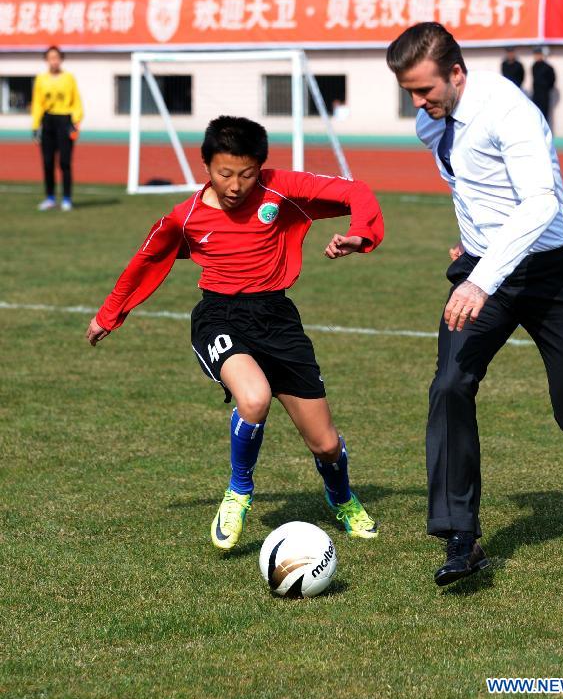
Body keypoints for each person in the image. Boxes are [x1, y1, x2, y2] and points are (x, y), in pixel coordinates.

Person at [386, 22, 563, 588]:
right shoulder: (430, 121)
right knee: (449, 384)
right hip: (483, 269)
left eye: (425, 91)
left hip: (547, 273)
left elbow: (539, 201)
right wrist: (474, 242)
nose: (417, 105)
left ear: (457, 73)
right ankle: (459, 537)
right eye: (409, 93)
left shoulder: (510, 112)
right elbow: (472, 184)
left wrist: (481, 278)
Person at [86, 116, 384, 550]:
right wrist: (109, 315)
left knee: (325, 446)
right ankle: (239, 490)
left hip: (278, 319)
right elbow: (147, 260)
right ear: (205, 165)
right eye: (224, 173)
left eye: (246, 174)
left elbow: (355, 191)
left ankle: (341, 498)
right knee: (254, 397)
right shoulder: (185, 216)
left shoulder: (281, 189)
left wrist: (359, 236)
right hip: (220, 317)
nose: (235, 185)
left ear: (260, 168)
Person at [31, 46, 83, 211]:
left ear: (61, 59)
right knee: (47, 162)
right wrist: (35, 125)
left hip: (65, 120)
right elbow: (37, 102)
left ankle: (67, 198)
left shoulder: (69, 78)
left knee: (65, 162)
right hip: (47, 121)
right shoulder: (41, 79)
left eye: (56, 57)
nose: (54, 61)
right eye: (50, 58)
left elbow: (76, 101)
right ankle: (50, 198)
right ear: (46, 60)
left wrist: (75, 122)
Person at [531, 47, 556, 126]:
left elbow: (552, 80)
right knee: (535, 114)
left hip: (544, 94)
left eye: (538, 54)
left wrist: (545, 88)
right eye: (535, 54)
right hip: (536, 94)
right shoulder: (534, 66)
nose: (536, 56)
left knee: (544, 115)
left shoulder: (548, 67)